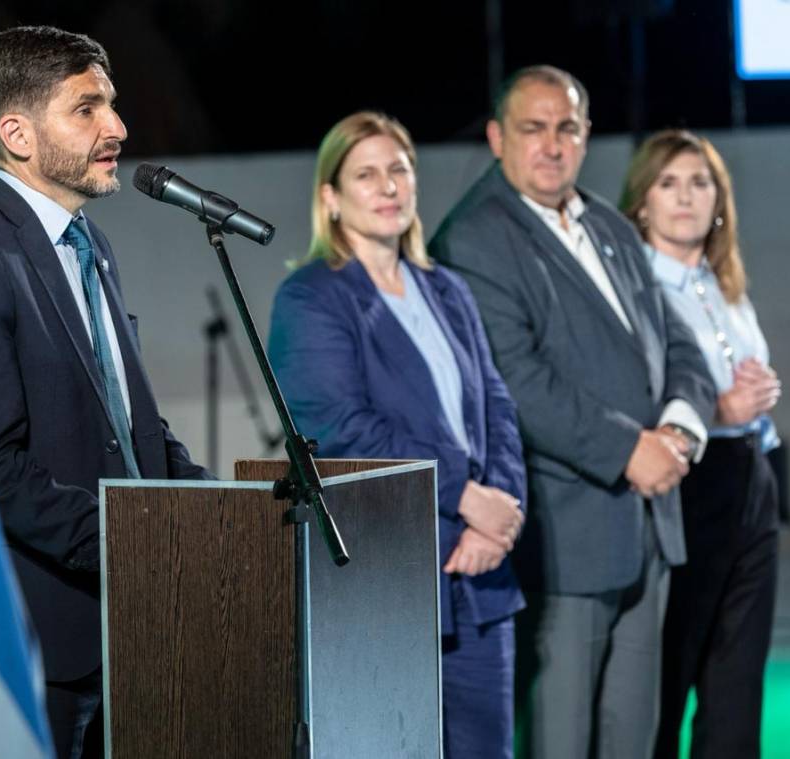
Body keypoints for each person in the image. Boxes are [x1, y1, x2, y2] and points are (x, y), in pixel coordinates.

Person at [0, 26, 211, 759]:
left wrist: (217, 507)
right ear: (16, 132)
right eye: (86, 109)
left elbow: (131, 423)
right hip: (44, 641)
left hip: (132, 626)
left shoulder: (92, 247)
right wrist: (139, 540)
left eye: (111, 105)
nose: (116, 127)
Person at [427, 66, 716, 759]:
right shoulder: (473, 239)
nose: (552, 145)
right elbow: (517, 381)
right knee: (559, 740)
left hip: (650, 525)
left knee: (633, 738)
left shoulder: (611, 226)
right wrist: (628, 451)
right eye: (534, 128)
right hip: (564, 535)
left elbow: (678, 342)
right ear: (498, 138)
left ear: (585, 137)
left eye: (568, 128)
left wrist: (678, 426)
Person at [268, 111, 527, 759]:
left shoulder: (448, 289)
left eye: (398, 170)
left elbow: (496, 408)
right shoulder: (311, 298)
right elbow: (342, 429)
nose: (387, 187)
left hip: (480, 575)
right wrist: (465, 495)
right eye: (366, 174)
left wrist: (500, 513)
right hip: (390, 578)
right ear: (330, 196)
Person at [621, 129, 782, 759]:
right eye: (668, 182)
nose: (685, 197)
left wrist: (760, 393)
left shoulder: (723, 284)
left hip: (752, 480)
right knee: (674, 665)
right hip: (687, 485)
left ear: (720, 199)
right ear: (642, 202)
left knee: (738, 675)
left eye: (699, 182)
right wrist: (720, 409)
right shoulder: (639, 289)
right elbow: (642, 399)